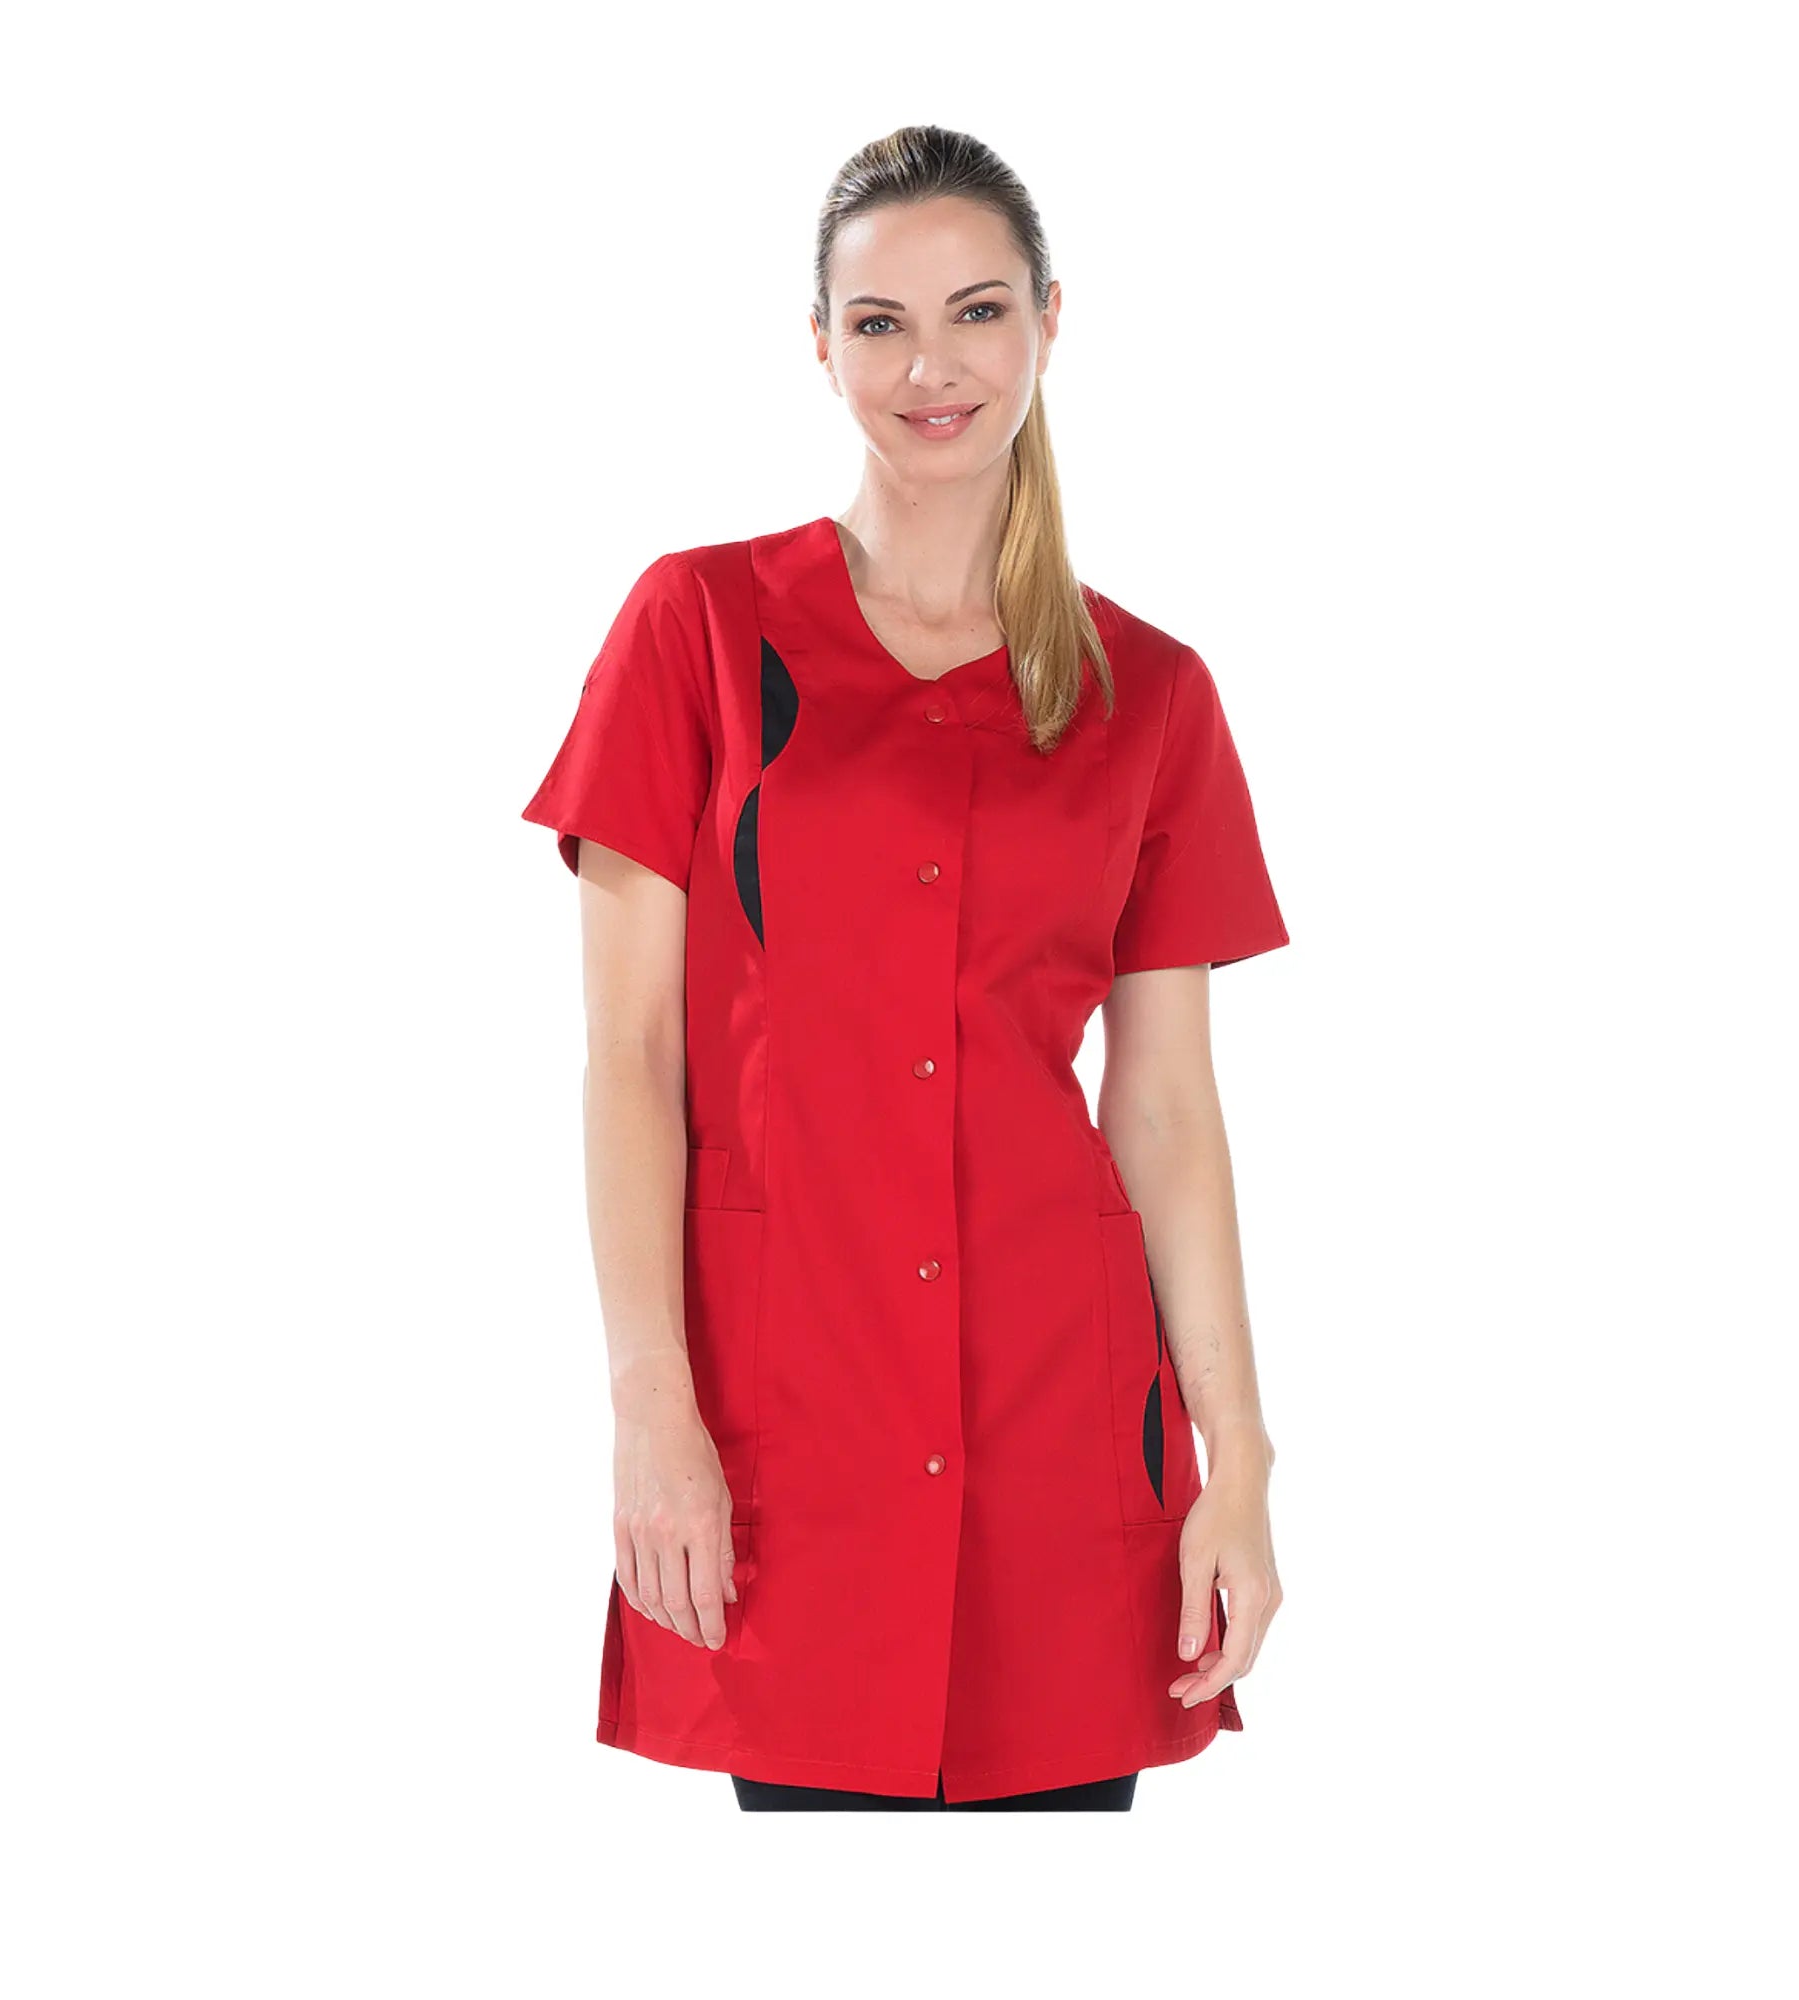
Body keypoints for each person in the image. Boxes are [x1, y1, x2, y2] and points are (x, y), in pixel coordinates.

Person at [521, 125, 1289, 1811]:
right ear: (820, 344)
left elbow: (1166, 1107)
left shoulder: (1153, 694)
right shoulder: (698, 628)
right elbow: (630, 1058)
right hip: (788, 1412)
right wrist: (650, 1402)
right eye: (879, 323)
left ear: (1049, 323)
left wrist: (1238, 1460)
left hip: (1064, 1427)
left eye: (977, 312)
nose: (931, 368)